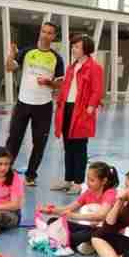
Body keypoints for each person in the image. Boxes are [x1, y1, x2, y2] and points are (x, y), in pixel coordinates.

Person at [5, 22, 65, 187]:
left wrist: (49, 82)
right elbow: (9, 68)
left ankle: (31, 175)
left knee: (39, 143)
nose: (46, 35)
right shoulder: (26, 52)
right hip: (23, 103)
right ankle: (6, 171)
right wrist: (11, 55)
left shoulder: (57, 59)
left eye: (50, 33)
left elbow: (60, 84)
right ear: (40, 32)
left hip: (43, 106)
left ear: (54, 36)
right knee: (14, 139)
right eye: (44, 31)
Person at [51, 35, 104, 195]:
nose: (73, 49)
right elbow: (65, 88)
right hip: (67, 108)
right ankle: (68, 179)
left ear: (86, 49)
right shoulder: (71, 67)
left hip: (81, 110)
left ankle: (78, 182)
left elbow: (97, 90)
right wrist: (59, 103)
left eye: (77, 47)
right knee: (67, 146)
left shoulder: (94, 68)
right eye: (73, 46)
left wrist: (90, 109)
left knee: (79, 148)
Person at [41, 161, 119, 254]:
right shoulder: (88, 192)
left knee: (76, 236)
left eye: (92, 180)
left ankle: (85, 242)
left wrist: (73, 216)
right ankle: (83, 242)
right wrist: (51, 210)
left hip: (104, 231)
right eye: (88, 179)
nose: (88, 182)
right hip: (90, 228)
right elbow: (69, 208)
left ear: (104, 181)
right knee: (52, 221)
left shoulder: (110, 193)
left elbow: (101, 215)